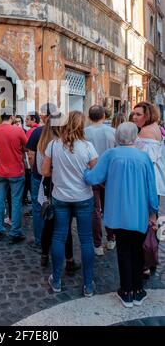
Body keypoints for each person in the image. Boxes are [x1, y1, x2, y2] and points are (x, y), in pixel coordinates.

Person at [84, 122, 158, 308]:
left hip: (118, 213)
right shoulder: (144, 157)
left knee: (123, 250)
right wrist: (153, 212)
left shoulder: (111, 155)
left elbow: (94, 177)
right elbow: (151, 188)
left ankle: (126, 291)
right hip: (139, 213)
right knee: (137, 250)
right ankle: (138, 290)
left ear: (118, 137)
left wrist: (85, 171)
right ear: (135, 137)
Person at [42, 111, 98, 296]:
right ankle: (88, 284)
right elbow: (95, 175)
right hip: (83, 198)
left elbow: (45, 172)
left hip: (61, 197)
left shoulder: (53, 145)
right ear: (81, 126)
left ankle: (56, 280)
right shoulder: (88, 146)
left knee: (58, 237)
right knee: (86, 239)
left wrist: (59, 170)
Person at [36, 118, 81, 275]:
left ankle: (44, 254)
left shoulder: (43, 144)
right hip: (59, 189)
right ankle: (69, 260)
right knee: (64, 226)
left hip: (47, 189)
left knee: (48, 224)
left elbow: (40, 169)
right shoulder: (60, 145)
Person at [133, 101, 165, 277]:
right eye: (134, 114)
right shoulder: (156, 128)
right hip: (156, 183)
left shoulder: (146, 132)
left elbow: (147, 164)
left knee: (147, 221)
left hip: (147, 184)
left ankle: (145, 262)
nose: (135, 117)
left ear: (148, 114)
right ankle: (151, 258)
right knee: (153, 221)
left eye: (139, 114)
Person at [0, 108, 27, 243]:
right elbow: (27, 146)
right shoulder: (17, 130)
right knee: (16, 201)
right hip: (16, 171)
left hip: (0, 171)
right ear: (12, 116)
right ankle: (15, 232)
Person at [85, 105, 116, 255]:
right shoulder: (113, 132)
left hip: (92, 175)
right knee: (109, 207)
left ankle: (97, 245)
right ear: (104, 116)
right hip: (109, 176)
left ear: (89, 117)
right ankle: (111, 239)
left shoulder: (84, 133)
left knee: (95, 211)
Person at [26, 103, 57, 251]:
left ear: (44, 116)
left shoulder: (37, 132)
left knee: (38, 207)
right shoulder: (61, 132)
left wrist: (34, 169)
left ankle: (40, 241)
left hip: (39, 175)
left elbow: (31, 155)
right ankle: (55, 239)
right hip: (57, 177)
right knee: (56, 208)